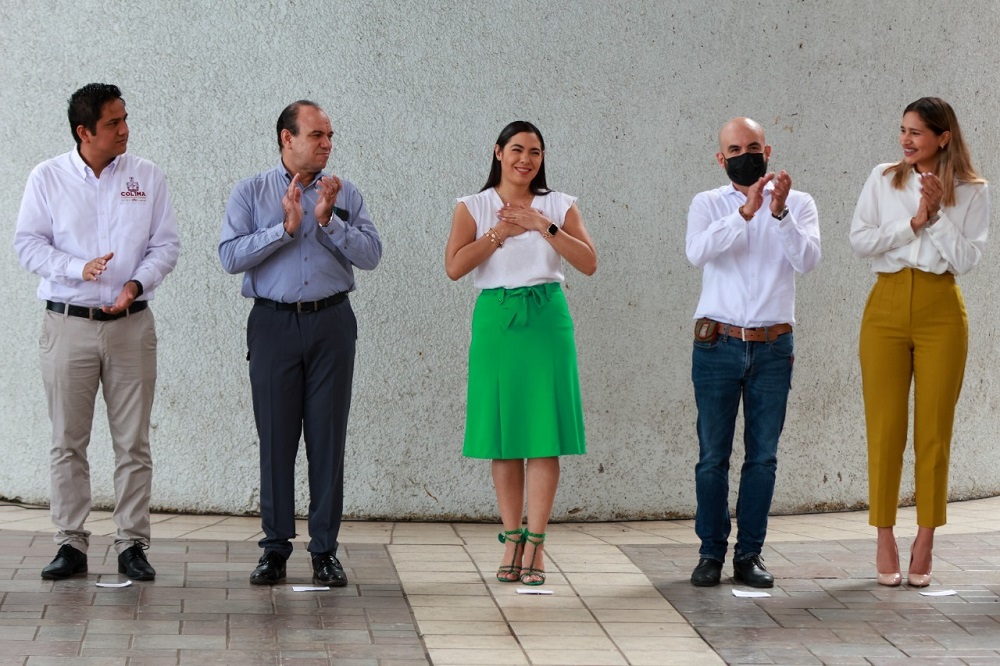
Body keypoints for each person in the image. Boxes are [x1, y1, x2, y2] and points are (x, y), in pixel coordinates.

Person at [13, 83, 180, 581]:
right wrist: (76, 267)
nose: (125, 129)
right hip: (68, 325)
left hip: (132, 326)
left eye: (125, 118)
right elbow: (27, 244)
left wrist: (135, 284)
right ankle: (70, 543)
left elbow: (165, 245)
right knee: (67, 440)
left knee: (133, 443)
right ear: (84, 131)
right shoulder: (47, 177)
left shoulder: (146, 176)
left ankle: (132, 543)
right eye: (113, 122)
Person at [219, 100, 382, 586]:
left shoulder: (344, 192)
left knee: (328, 439)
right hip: (272, 324)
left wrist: (329, 221)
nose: (327, 144)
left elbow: (371, 254)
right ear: (287, 138)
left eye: (330, 135)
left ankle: (324, 551)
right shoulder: (250, 191)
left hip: (332, 323)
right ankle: (274, 549)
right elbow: (229, 256)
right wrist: (285, 229)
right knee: (276, 438)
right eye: (317, 135)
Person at [445, 121, 597, 586]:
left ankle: (537, 543)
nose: (525, 160)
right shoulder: (472, 206)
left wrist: (542, 225)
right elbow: (454, 267)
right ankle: (511, 539)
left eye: (534, 152)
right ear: (498, 152)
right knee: (505, 433)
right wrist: (499, 233)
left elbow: (588, 262)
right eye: (516, 149)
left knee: (543, 434)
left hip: (547, 318)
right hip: (497, 321)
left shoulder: (560, 205)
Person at [850, 97, 988, 588]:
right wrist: (911, 222)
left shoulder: (971, 190)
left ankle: (926, 538)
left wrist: (935, 215)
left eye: (917, 132)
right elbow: (860, 239)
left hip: (941, 309)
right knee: (885, 427)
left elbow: (967, 260)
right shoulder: (883, 178)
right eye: (903, 130)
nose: (906, 140)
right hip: (885, 306)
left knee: (934, 431)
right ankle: (884, 535)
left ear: (943, 137)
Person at [685, 117, 821, 588]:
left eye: (753, 146)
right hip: (716, 343)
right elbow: (697, 252)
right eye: (735, 149)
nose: (746, 155)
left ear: (768, 150)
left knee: (763, 456)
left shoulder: (799, 203)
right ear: (721, 159)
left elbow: (807, 261)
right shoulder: (707, 203)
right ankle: (710, 553)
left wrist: (778, 213)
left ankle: (749, 555)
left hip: (772, 346)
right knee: (712, 456)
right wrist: (744, 213)